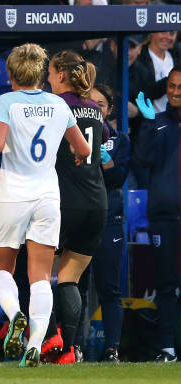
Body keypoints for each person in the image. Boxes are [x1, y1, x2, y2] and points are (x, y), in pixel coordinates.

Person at [0, 43, 90, 367]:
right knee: (41, 275)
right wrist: (76, 157)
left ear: (10, 73)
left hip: (11, 194)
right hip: (46, 196)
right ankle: (36, 345)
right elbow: (82, 148)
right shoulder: (58, 104)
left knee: (0, 269)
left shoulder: (4, 101)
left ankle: (15, 316)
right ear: (42, 75)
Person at [42, 50, 108, 364]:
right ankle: (68, 350)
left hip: (65, 200)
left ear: (62, 75)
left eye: (51, 73)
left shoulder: (56, 105)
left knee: (37, 270)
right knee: (69, 278)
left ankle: (45, 337)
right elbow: (105, 141)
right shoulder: (95, 107)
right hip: (97, 202)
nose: (47, 79)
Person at [74, 84, 130, 363]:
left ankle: (111, 349)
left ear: (109, 109)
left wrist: (104, 161)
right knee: (77, 286)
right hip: (81, 218)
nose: (95, 107)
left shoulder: (119, 139)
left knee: (109, 287)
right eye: (90, 102)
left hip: (109, 220)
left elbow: (118, 178)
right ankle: (75, 347)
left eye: (101, 104)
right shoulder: (72, 133)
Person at [133, 67, 181, 362]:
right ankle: (167, 348)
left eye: (180, 87)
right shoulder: (157, 123)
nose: (175, 92)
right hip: (165, 217)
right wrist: (149, 124)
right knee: (166, 285)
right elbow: (142, 160)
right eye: (172, 86)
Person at [137, 31, 179, 113]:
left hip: (175, 119)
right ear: (151, 33)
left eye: (172, 33)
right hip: (151, 120)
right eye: (163, 32)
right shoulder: (139, 56)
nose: (168, 37)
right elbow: (144, 93)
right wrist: (170, 80)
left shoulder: (176, 55)